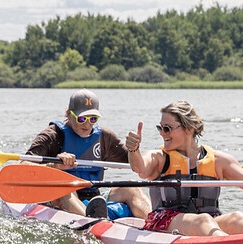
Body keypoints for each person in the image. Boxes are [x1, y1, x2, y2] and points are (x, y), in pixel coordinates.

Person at [125, 100, 243, 236]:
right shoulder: (159, 158)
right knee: (202, 220)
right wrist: (134, 150)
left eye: (167, 128)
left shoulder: (219, 160)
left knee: (237, 218)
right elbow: (140, 168)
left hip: (209, 221)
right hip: (165, 222)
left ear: (189, 128)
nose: (162, 134)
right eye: (160, 128)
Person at [25, 89, 150, 220]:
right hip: (60, 197)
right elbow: (25, 166)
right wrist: (54, 165)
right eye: (82, 118)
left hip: (94, 199)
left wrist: (134, 149)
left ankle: (156, 225)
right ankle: (95, 223)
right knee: (67, 187)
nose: (87, 124)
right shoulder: (52, 135)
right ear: (68, 114)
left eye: (93, 119)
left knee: (132, 187)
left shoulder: (104, 137)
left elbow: (138, 168)